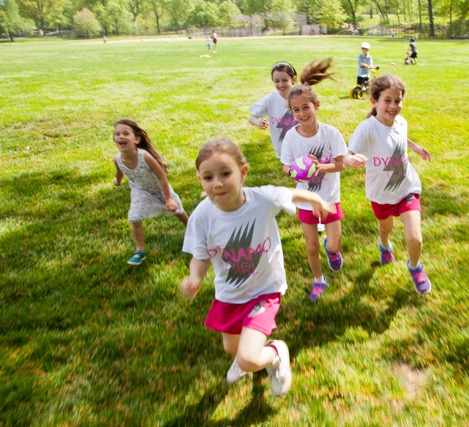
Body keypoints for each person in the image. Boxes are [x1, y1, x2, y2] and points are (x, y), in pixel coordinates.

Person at [180, 138, 334, 397]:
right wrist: (195, 277)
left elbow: (289, 193)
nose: (217, 183)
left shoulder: (262, 199)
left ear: (243, 172)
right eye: (208, 177)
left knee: (248, 358)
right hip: (230, 293)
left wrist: (315, 198)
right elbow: (201, 255)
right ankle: (244, 358)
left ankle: (275, 353)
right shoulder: (202, 216)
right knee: (232, 348)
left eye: (225, 174)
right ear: (200, 180)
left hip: (265, 288)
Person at [344, 74, 433, 294]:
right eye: (387, 101)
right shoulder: (367, 129)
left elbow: (399, 136)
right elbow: (348, 153)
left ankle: (415, 267)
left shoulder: (401, 122)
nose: (393, 106)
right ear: (374, 101)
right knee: (386, 229)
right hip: (381, 194)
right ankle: (384, 245)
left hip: (407, 188)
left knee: (414, 238)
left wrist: (414, 146)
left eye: (397, 101)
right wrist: (349, 160)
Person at [280, 58, 348, 301]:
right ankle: (319, 279)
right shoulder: (291, 137)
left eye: (306, 107)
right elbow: (285, 167)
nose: (302, 113)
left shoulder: (331, 134)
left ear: (317, 105)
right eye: (296, 110)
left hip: (329, 198)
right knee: (311, 246)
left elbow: (340, 164)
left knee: (334, 244)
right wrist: (296, 171)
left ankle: (332, 251)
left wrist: (320, 167)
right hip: (306, 201)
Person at [112, 119, 189, 265]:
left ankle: (193, 230)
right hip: (140, 190)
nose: (121, 136)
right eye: (117, 134)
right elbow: (120, 173)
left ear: (137, 139)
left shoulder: (144, 156)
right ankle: (140, 250)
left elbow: (162, 178)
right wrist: (117, 181)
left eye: (126, 133)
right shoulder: (117, 159)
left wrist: (168, 199)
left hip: (160, 188)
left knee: (178, 211)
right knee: (134, 217)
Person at [248, 61, 299, 161]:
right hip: (282, 148)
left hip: (302, 145)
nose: (281, 84)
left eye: (285, 80)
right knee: (288, 168)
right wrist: (258, 123)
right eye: (276, 81)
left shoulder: (300, 96)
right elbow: (251, 118)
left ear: (293, 79)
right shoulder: (270, 99)